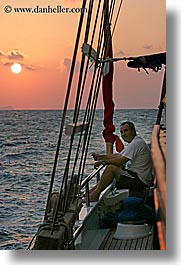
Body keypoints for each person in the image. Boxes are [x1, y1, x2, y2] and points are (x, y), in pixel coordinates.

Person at [89, 121, 153, 202]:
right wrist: (100, 157)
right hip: (135, 177)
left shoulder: (136, 143)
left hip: (140, 182)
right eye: (121, 132)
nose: (123, 134)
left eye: (126, 131)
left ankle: (94, 195)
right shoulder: (135, 142)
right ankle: (90, 194)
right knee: (110, 170)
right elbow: (118, 156)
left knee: (111, 168)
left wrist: (103, 162)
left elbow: (120, 161)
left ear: (133, 131)